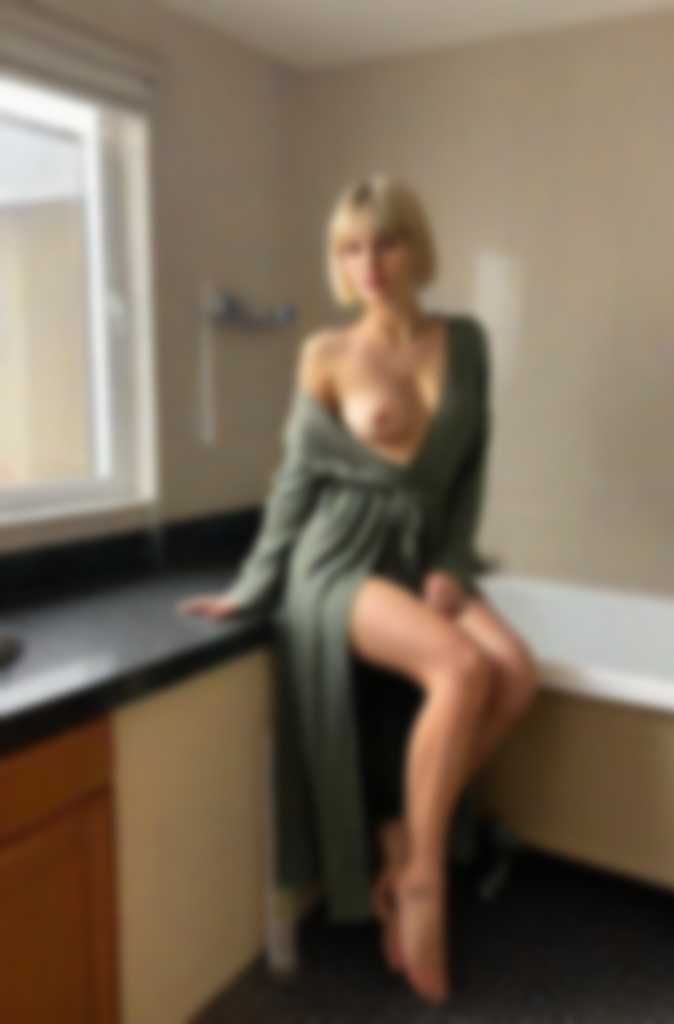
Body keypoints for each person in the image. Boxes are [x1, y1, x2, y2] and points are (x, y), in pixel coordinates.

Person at [178, 173, 540, 1005]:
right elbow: (294, 482)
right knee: (461, 669)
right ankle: (422, 886)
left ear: (415, 247)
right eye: (349, 249)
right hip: (339, 557)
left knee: (516, 675)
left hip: (423, 553)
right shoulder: (327, 355)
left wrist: (452, 562)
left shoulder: (467, 341)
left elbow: (470, 470)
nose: (368, 264)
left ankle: (403, 836)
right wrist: (251, 587)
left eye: (385, 243)